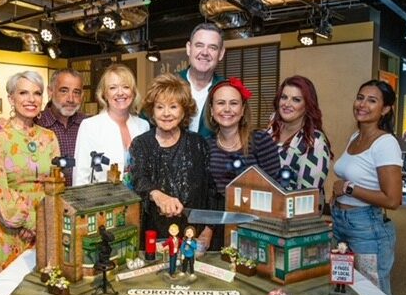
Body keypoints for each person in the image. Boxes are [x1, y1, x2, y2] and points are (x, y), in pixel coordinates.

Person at [0, 71, 60, 286]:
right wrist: (27, 219)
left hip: (43, 226)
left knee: (41, 290)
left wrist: (43, 221)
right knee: (4, 293)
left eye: (37, 93)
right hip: (6, 227)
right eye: (23, 93)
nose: (31, 99)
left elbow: (56, 183)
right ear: (11, 98)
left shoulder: (49, 137)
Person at [331, 79, 402, 295]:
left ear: (386, 109)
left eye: (372, 101)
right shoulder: (355, 136)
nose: (362, 104)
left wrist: (348, 189)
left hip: (366, 227)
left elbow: (393, 200)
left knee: (373, 292)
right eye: (360, 98)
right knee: (343, 285)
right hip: (340, 221)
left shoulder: (386, 143)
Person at [129, 73, 214, 248]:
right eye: (160, 107)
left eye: (173, 107)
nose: (166, 113)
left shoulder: (199, 144)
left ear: (184, 111)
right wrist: (158, 195)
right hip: (155, 236)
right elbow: (139, 179)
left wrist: (208, 229)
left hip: (193, 235)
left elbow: (210, 191)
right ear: (152, 111)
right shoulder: (141, 144)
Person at [205, 77, 280, 250]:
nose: (227, 109)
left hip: (254, 225)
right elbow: (208, 194)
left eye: (233, 103)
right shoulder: (206, 145)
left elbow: (276, 190)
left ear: (242, 109)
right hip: (217, 226)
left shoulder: (260, 141)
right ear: (211, 110)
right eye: (220, 103)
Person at [74, 64, 149, 185]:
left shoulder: (143, 125)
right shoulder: (90, 126)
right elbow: (81, 176)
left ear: (133, 92)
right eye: (113, 88)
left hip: (139, 201)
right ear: (104, 94)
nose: (120, 93)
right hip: (104, 200)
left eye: (126, 87)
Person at [267, 75, 332, 203]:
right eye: (284, 97)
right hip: (261, 212)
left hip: (293, 218)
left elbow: (307, 199)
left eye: (296, 100)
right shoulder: (270, 132)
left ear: (307, 105)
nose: (287, 104)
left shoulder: (313, 142)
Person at [36, 68, 87, 186]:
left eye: (76, 92)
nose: (71, 99)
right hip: (47, 199)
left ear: (82, 95)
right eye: (64, 91)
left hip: (83, 199)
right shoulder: (36, 124)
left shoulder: (88, 125)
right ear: (50, 91)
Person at [179, 22, 226, 137]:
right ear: (189, 48)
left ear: (221, 53)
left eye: (212, 47)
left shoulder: (226, 89)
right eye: (199, 45)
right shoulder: (169, 85)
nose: (205, 52)